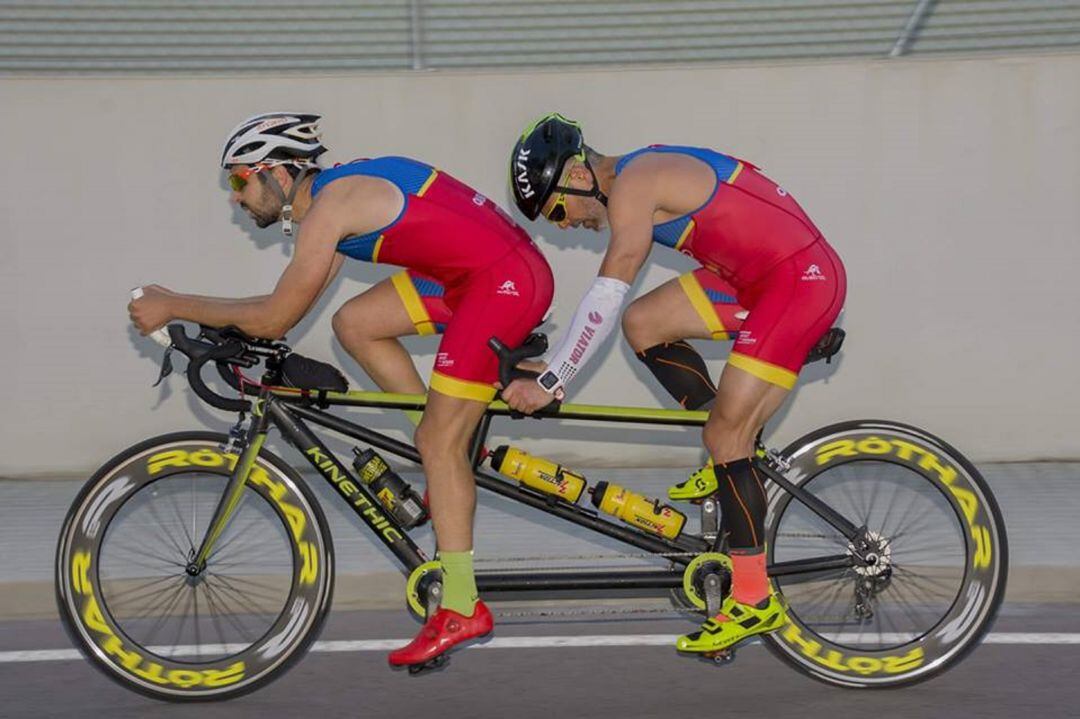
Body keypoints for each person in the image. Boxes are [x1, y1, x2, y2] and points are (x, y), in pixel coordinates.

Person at [129, 111, 554, 668]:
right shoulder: (330, 206)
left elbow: (275, 318)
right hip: (477, 275)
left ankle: (459, 604)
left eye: (239, 180)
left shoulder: (332, 208)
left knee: (439, 445)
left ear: (279, 174)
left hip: (501, 284)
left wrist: (175, 302)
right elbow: (285, 309)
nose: (235, 197)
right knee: (355, 324)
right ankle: (445, 448)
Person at [501, 113, 846, 653]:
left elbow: (608, 291)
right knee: (646, 324)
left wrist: (553, 378)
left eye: (559, 211)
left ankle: (754, 599)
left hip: (795, 283)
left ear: (575, 172)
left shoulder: (635, 184)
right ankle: (725, 452)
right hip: (757, 281)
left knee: (727, 437)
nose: (565, 226)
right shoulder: (640, 175)